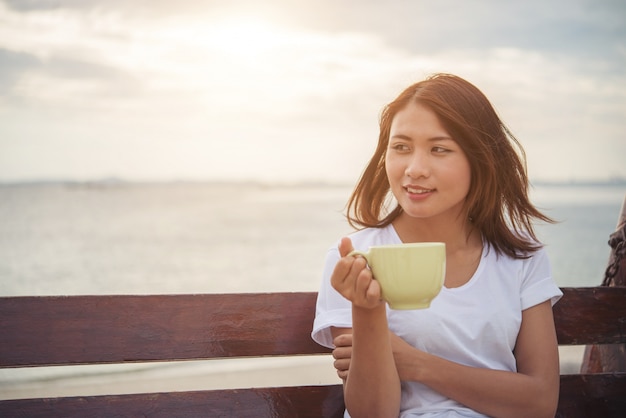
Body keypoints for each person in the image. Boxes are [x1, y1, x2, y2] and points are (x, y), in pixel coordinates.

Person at [311, 73, 562, 418]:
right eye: (401, 147)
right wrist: (367, 310)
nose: (414, 169)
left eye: (439, 149)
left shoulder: (523, 259)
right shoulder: (355, 257)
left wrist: (417, 363)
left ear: (481, 159)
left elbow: (540, 403)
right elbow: (372, 413)